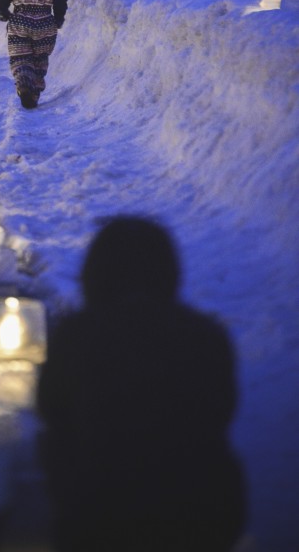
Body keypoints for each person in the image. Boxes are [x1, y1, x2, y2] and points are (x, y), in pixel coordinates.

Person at [37, 216, 247, 552]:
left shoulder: (79, 334)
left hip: (96, 518)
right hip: (200, 519)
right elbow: (221, 414)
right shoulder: (204, 337)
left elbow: (51, 410)